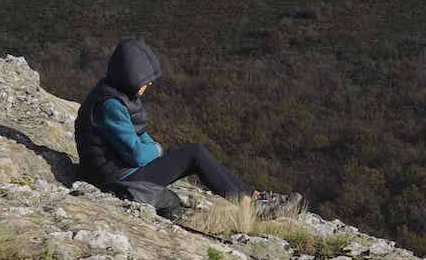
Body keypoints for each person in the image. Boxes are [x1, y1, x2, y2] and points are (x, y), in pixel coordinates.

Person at [74, 38, 302, 218]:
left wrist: (150, 147)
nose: (149, 83)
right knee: (194, 154)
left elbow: (139, 136)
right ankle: (250, 204)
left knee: (195, 153)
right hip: (117, 181)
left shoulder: (118, 94)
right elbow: (137, 154)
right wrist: (157, 149)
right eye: (145, 79)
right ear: (130, 77)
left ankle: (253, 196)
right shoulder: (110, 105)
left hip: (121, 171)